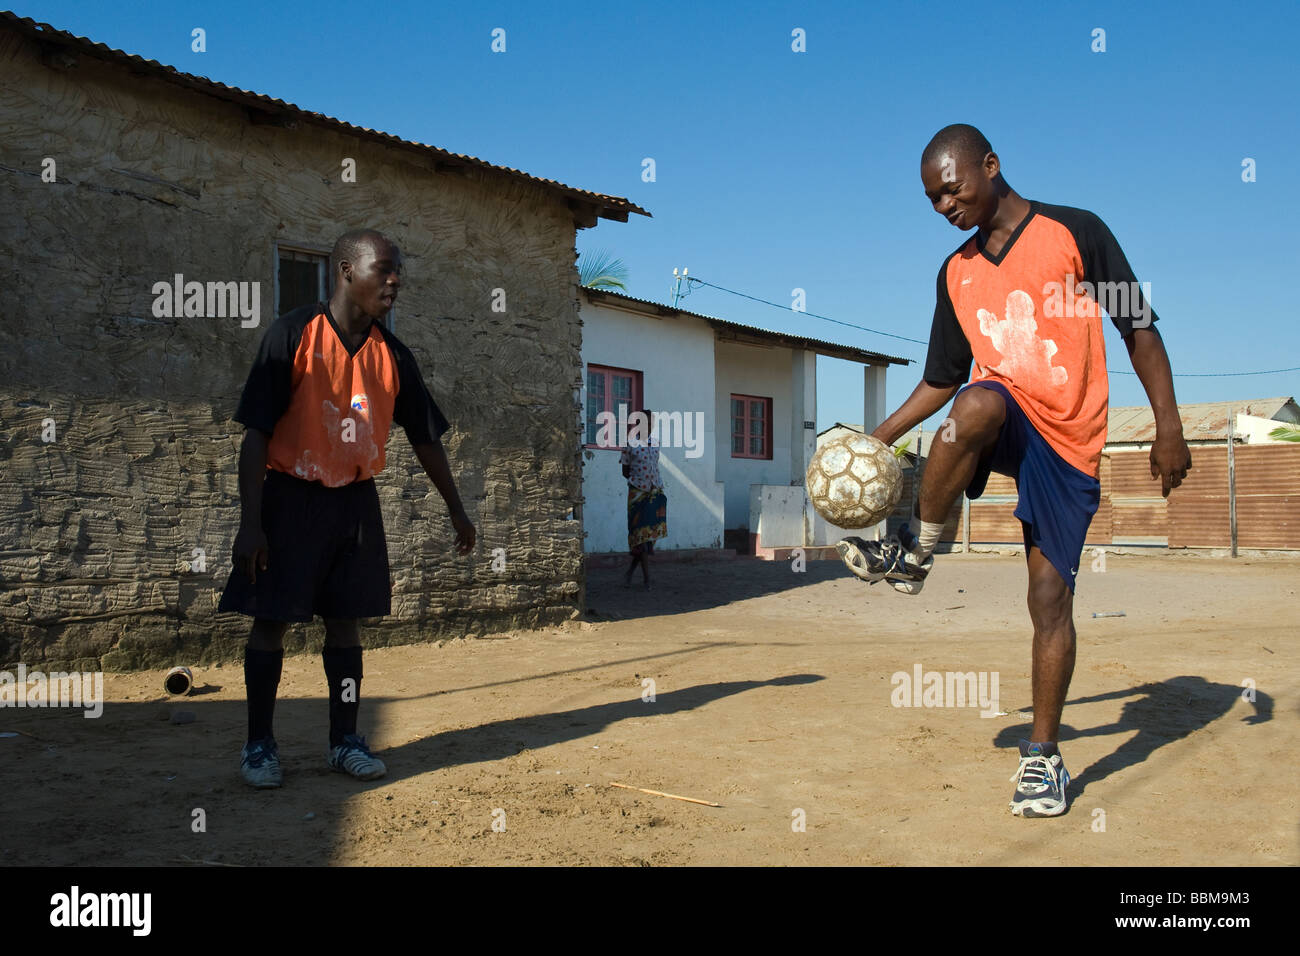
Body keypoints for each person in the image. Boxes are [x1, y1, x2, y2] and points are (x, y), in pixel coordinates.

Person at [836, 125, 1192, 817]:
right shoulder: (955, 272)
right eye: (932, 199)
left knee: (1047, 601)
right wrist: (876, 439)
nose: (944, 205)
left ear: (990, 166)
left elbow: (1138, 328)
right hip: (1003, 416)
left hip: (1067, 441)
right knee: (973, 404)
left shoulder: (1076, 232)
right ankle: (914, 553)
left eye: (952, 187)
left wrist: (1168, 426)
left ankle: (1044, 758)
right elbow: (941, 379)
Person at [219, 228, 476, 789]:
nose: (394, 280)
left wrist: (457, 509)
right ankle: (259, 746)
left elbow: (425, 437)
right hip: (290, 497)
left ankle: (345, 740)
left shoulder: (393, 355)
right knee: (272, 623)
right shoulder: (292, 335)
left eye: (398, 270)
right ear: (345, 271)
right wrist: (251, 523)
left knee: (346, 626)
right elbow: (256, 436)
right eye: (383, 268)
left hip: (354, 504)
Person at [619, 409, 667, 589]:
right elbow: (625, 471)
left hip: (655, 493)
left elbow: (655, 467)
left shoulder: (656, 443)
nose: (648, 426)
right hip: (637, 494)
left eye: (651, 423)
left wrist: (653, 486)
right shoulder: (629, 444)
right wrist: (639, 484)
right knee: (640, 535)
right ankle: (647, 579)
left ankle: (630, 573)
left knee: (648, 537)